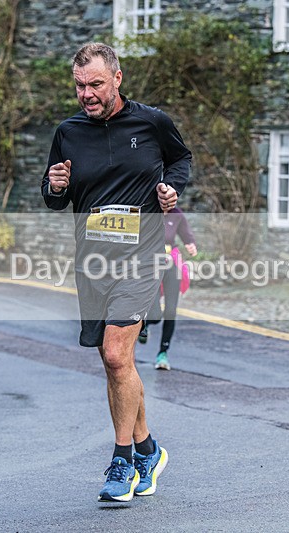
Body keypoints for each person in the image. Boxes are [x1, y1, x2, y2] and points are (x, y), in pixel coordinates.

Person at [41, 42, 191, 502]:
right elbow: (54, 196)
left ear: (118, 79)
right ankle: (149, 449)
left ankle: (122, 462)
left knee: (114, 354)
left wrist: (170, 191)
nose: (87, 93)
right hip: (94, 262)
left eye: (96, 84)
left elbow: (180, 161)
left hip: (142, 257)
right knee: (117, 363)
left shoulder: (151, 123)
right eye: (80, 85)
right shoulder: (67, 133)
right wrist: (54, 185)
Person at [138, 206, 198, 370]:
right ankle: (144, 325)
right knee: (155, 314)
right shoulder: (147, 211)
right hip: (151, 265)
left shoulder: (176, 214)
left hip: (172, 264)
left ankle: (163, 354)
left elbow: (187, 234)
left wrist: (190, 244)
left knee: (171, 311)